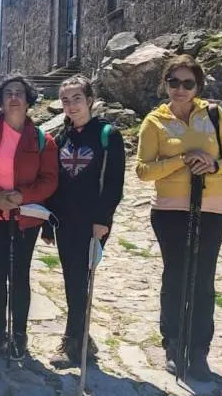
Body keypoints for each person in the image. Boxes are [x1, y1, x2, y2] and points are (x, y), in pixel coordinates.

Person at [136, 54, 222, 381]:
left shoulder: (213, 114)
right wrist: (182, 160)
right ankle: (173, 343)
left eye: (188, 83)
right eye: (174, 82)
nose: (180, 89)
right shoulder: (154, 122)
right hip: (169, 211)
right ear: (165, 83)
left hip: (212, 209)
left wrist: (214, 165)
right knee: (175, 277)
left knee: (203, 280)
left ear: (198, 86)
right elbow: (143, 170)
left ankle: (198, 350)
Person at [0, 75, 58, 360]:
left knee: (19, 276)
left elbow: (49, 180)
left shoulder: (43, 140)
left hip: (25, 218)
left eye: (19, 93)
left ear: (28, 100)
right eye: (8, 93)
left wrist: (22, 196)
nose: (14, 98)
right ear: (1, 100)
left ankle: (18, 334)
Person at [44, 75, 125, 365]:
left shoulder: (107, 135)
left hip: (92, 222)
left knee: (80, 279)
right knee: (72, 278)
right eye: (65, 100)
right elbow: (55, 182)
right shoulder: (61, 138)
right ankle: (83, 339)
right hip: (65, 220)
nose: (71, 105)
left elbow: (114, 183)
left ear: (89, 100)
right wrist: (48, 222)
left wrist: (103, 219)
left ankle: (71, 342)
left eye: (77, 98)